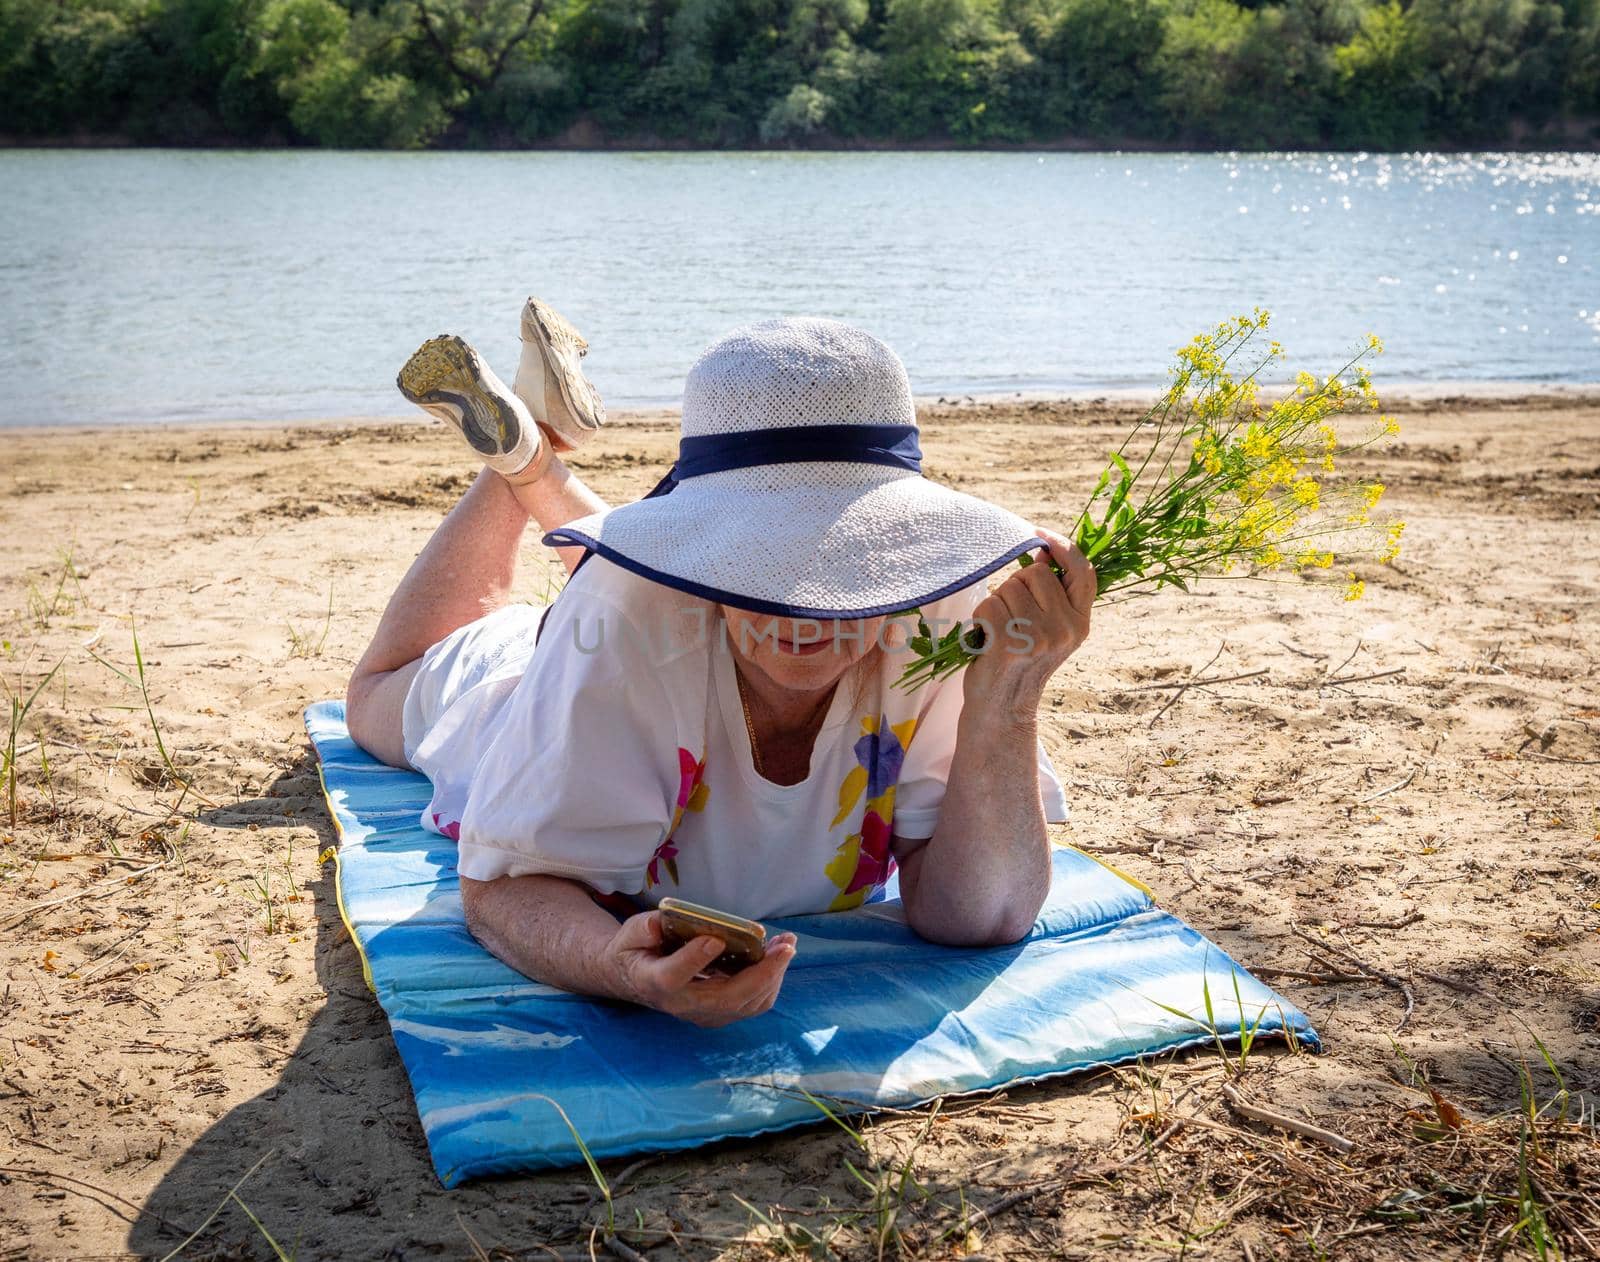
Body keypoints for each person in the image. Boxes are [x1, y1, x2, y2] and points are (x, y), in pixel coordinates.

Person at [345, 301, 1095, 1028]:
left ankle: (533, 449)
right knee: (374, 694)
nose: (802, 609)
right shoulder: (618, 618)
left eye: (846, 560)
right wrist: (616, 966)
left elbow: (981, 915)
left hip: (640, 620)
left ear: (893, 551)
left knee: (631, 585)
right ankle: (518, 458)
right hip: (527, 691)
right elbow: (501, 891)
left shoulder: (942, 616)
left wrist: (1009, 700)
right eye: (756, 564)